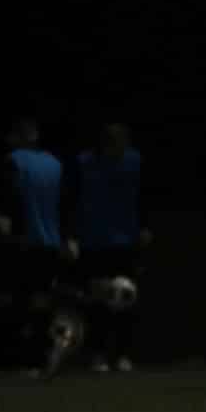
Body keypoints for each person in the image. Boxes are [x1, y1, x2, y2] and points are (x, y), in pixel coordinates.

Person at [70, 122, 146, 373]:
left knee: (126, 298)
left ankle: (123, 354)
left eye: (121, 141)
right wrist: (73, 235)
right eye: (112, 142)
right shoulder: (84, 163)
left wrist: (144, 227)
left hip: (126, 241)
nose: (117, 147)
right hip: (94, 241)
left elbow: (143, 195)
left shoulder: (134, 162)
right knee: (97, 301)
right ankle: (98, 355)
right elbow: (73, 198)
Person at [0, 118, 72, 377]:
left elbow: (12, 200)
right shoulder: (55, 163)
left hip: (26, 240)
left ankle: (33, 357)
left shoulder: (14, 161)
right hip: (51, 241)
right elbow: (63, 203)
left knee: (24, 301)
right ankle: (43, 353)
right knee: (42, 298)